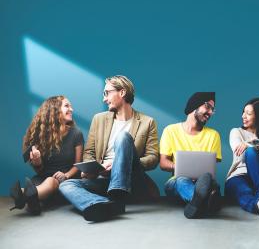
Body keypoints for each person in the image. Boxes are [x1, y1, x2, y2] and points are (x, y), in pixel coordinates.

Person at [59, 75, 159, 222]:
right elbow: (89, 152)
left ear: (122, 92)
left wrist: (122, 162)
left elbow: (153, 158)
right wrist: (94, 168)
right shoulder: (99, 119)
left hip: (132, 178)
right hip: (103, 177)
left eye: (107, 93)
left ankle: (117, 194)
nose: (104, 98)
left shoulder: (147, 122)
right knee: (67, 185)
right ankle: (105, 204)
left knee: (123, 137)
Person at [9, 96, 84, 215]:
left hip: (66, 182)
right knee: (41, 185)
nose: (71, 109)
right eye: (66, 106)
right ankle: (31, 197)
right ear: (54, 110)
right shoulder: (39, 137)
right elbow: (40, 171)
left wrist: (66, 175)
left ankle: (23, 194)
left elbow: (78, 165)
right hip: (41, 181)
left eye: (71, 106)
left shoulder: (76, 133)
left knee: (50, 181)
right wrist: (37, 161)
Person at [159, 92, 222, 219]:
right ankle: (205, 200)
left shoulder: (213, 135)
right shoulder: (170, 131)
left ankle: (196, 204)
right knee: (182, 180)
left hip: (203, 181)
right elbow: (163, 163)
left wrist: (202, 177)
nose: (210, 112)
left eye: (212, 109)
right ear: (195, 105)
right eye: (208, 107)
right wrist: (182, 168)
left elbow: (210, 168)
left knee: (208, 180)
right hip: (177, 182)